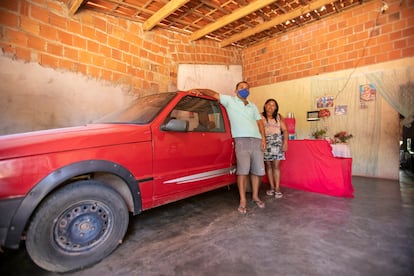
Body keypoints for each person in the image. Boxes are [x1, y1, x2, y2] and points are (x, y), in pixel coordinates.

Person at [191, 82, 266, 214]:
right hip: (241, 140)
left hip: (256, 140)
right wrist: (199, 89)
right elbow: (213, 93)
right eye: (241, 88)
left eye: (247, 88)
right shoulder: (230, 101)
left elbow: (260, 122)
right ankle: (243, 200)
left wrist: (263, 138)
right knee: (243, 172)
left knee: (256, 172)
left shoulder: (252, 105)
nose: (245, 90)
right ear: (235, 91)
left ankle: (255, 196)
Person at [262, 99, 288, 199]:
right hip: (265, 142)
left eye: (273, 105)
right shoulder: (260, 116)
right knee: (268, 165)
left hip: (276, 142)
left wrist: (285, 142)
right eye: (268, 104)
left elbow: (285, 130)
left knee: (276, 166)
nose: (270, 107)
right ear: (265, 105)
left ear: (276, 107)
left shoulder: (278, 117)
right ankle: (272, 187)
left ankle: (277, 188)